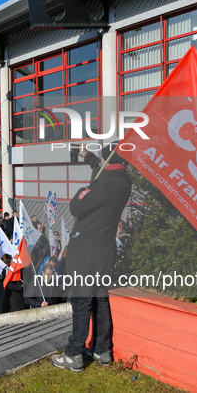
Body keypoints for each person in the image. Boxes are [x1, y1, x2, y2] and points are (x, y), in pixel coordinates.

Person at [51, 143, 132, 372]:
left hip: (86, 252)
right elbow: (103, 166)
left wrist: (83, 189)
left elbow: (76, 207)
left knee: (81, 302)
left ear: (107, 163)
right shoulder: (124, 181)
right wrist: (88, 156)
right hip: (105, 251)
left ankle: (74, 353)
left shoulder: (101, 185)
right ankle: (102, 350)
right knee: (100, 299)